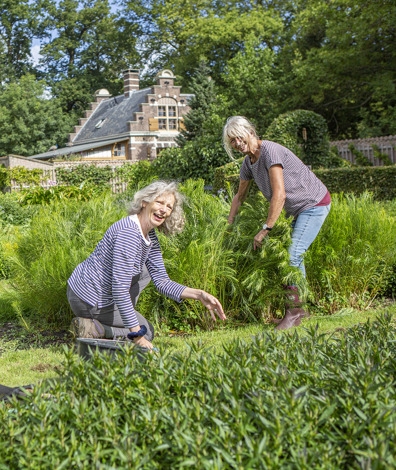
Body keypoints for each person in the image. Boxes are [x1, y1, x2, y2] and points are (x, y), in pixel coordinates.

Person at [67, 181, 226, 350]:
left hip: (95, 296)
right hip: (89, 299)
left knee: (145, 272)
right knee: (146, 331)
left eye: (169, 207)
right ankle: (95, 329)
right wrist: (137, 336)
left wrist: (199, 295)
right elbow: (120, 289)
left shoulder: (149, 236)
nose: (164, 209)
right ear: (144, 202)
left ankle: (99, 326)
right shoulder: (128, 233)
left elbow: (162, 282)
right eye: (159, 202)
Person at [223, 116, 331, 330]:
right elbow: (240, 196)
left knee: (291, 257)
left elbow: (279, 195)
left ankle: (293, 313)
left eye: (238, 137)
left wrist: (266, 229)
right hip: (298, 210)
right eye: (232, 141)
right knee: (295, 258)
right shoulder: (248, 163)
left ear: (250, 132)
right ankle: (301, 309)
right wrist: (229, 224)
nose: (236, 143)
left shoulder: (270, 151)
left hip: (313, 203)